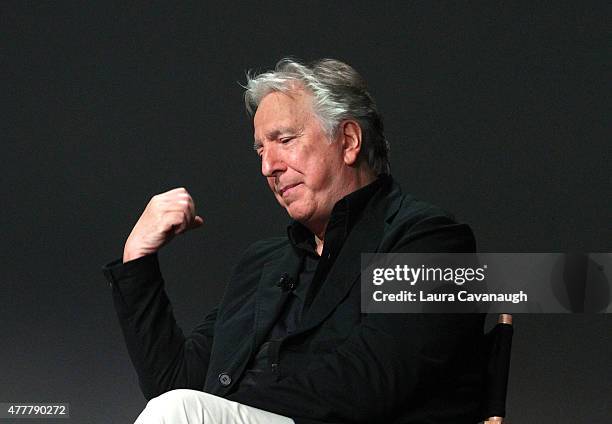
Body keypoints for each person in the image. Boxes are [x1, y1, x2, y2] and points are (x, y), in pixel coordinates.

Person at [102, 58, 485, 424]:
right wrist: (138, 258)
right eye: (260, 150)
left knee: (184, 412)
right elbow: (172, 385)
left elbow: (365, 385)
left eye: (284, 140)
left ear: (349, 141)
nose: (268, 166)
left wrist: (216, 405)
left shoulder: (431, 242)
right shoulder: (263, 264)